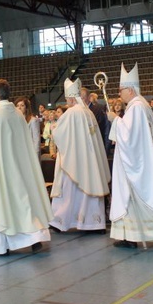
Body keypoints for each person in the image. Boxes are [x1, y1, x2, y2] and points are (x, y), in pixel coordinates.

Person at [0, 79, 53, 256]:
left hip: (0, 169)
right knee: (23, 202)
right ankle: (34, 237)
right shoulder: (17, 113)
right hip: (20, 167)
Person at [107, 63, 153, 250]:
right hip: (140, 160)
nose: (119, 93)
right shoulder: (140, 105)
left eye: (121, 89)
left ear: (130, 90)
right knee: (130, 200)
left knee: (141, 198)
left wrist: (115, 120)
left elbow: (130, 136)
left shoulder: (137, 107)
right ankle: (130, 237)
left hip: (137, 163)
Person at [49, 78, 111, 233]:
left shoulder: (71, 112)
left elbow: (59, 134)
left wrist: (54, 127)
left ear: (70, 98)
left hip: (75, 161)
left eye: (67, 99)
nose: (67, 102)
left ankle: (61, 221)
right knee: (88, 192)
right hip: (90, 161)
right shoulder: (87, 112)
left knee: (69, 192)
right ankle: (93, 224)